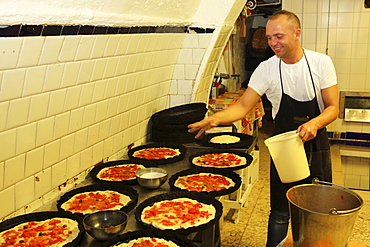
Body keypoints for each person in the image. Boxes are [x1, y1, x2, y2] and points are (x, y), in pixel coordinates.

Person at [188, 10, 339, 247]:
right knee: (280, 211)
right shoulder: (267, 68)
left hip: (315, 146)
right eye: (269, 38)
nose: (272, 43)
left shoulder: (321, 63)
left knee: (315, 213)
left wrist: (314, 123)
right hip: (284, 147)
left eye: (278, 37)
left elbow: (332, 108)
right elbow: (242, 106)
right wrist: (215, 119)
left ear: (297, 34)